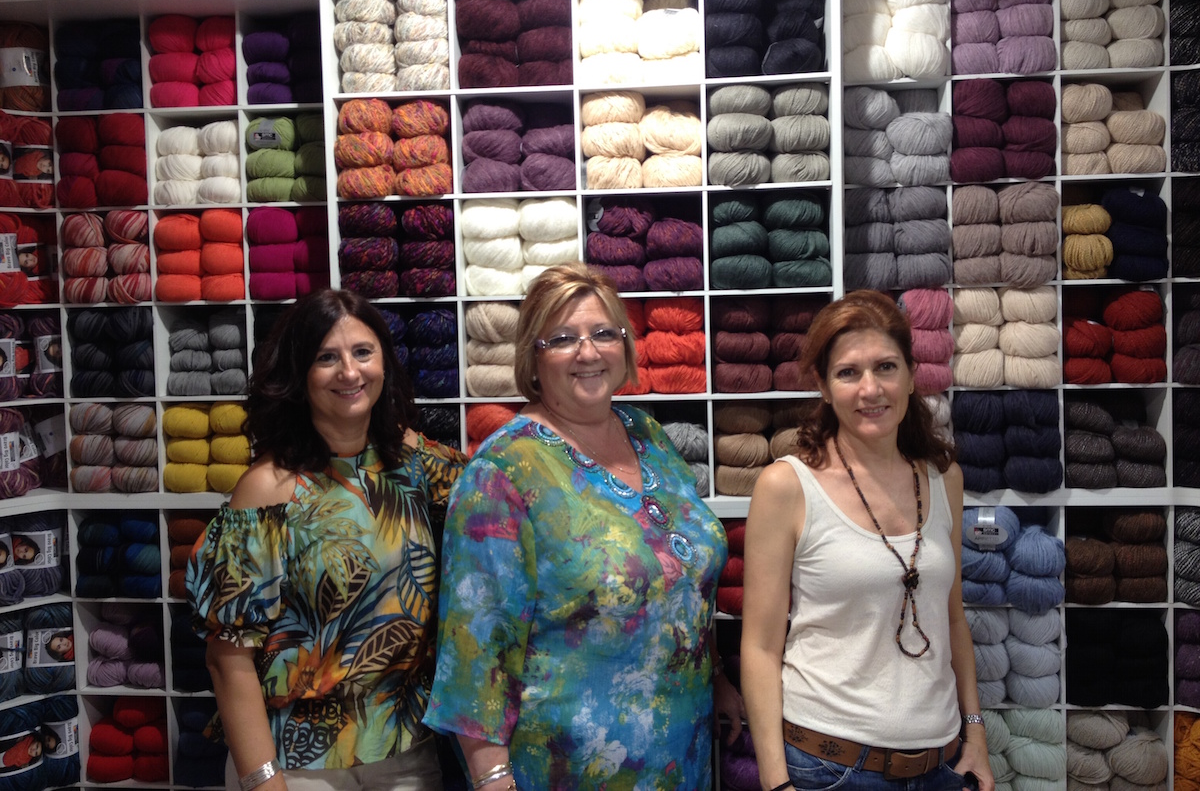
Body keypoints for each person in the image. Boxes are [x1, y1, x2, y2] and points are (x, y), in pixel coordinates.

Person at [425, 261, 742, 790]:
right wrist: (493, 777)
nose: (588, 352)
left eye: (603, 333)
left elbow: (679, 577)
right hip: (567, 767)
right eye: (562, 339)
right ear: (533, 357)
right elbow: (475, 651)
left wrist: (716, 674)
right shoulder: (503, 472)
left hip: (679, 752)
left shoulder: (646, 435)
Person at [186, 289, 469, 791]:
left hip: (406, 750)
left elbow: (497, 510)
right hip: (295, 761)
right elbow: (228, 658)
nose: (350, 372)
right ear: (299, 374)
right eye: (326, 358)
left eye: (363, 352)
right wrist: (264, 780)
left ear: (384, 361)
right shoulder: (267, 490)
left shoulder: (416, 463)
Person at [741, 290, 994, 791]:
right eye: (848, 372)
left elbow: (952, 617)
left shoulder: (944, 479)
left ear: (911, 375)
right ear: (823, 386)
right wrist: (776, 783)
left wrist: (976, 732)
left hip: (942, 764)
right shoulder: (788, 486)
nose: (870, 389)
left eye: (886, 367)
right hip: (829, 766)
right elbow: (761, 647)